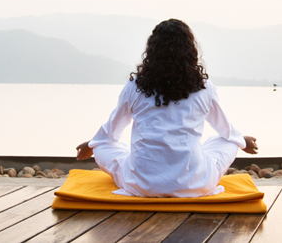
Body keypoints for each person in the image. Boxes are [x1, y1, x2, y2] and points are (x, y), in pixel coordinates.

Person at [76, 19, 258, 198]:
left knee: (102, 145)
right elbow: (225, 129)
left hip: (142, 185)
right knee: (228, 140)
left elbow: (112, 131)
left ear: (152, 51)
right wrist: (243, 140)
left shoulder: (135, 86)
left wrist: (92, 144)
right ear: (190, 50)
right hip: (195, 185)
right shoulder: (204, 86)